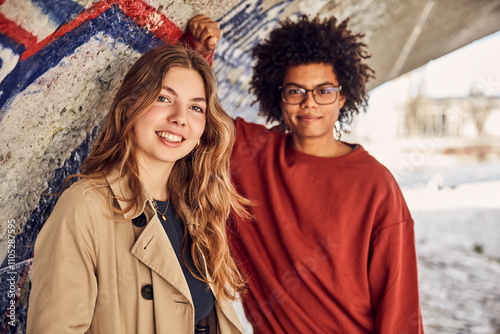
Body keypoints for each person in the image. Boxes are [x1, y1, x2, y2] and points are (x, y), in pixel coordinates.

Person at [189, 14, 424, 333]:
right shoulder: (250, 154)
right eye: (296, 91)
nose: (309, 103)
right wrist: (199, 52)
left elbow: (398, 300)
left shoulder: (376, 185)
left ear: (342, 97)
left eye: (323, 91)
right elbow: (200, 119)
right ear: (279, 97)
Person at [27, 42, 248, 333]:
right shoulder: (86, 206)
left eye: (196, 107)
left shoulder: (196, 210)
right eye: (163, 98)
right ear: (131, 105)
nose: (180, 117)